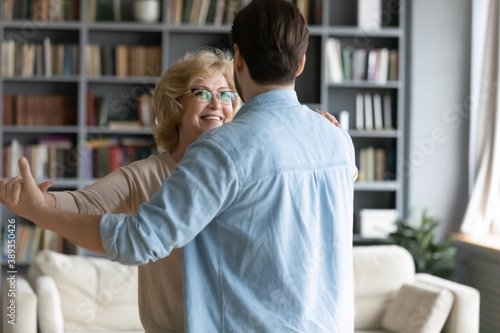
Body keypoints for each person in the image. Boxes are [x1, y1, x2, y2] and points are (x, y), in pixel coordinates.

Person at [1, 0, 356, 331]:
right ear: (302, 63)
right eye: (202, 92)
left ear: (239, 59)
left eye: (224, 92)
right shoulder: (337, 139)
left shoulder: (225, 149)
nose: (216, 103)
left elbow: (138, 240)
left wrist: (40, 212)